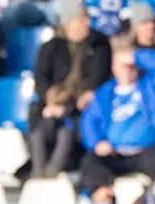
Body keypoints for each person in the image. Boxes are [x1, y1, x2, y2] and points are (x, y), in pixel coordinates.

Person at [28, 2, 110, 178]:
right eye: (81, 19)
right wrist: (52, 102)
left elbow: (97, 78)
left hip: (81, 102)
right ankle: (38, 169)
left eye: (87, 18)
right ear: (68, 23)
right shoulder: (51, 46)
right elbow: (41, 79)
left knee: (67, 126)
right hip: (54, 100)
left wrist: (71, 103)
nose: (87, 23)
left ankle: (54, 170)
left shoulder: (100, 44)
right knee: (40, 119)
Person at [79, 47, 155, 190]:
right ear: (114, 68)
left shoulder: (151, 87)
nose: (128, 69)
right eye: (123, 66)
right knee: (91, 164)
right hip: (115, 153)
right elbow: (89, 121)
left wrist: (135, 56)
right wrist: (97, 142)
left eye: (131, 65)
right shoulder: (104, 94)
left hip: (147, 151)